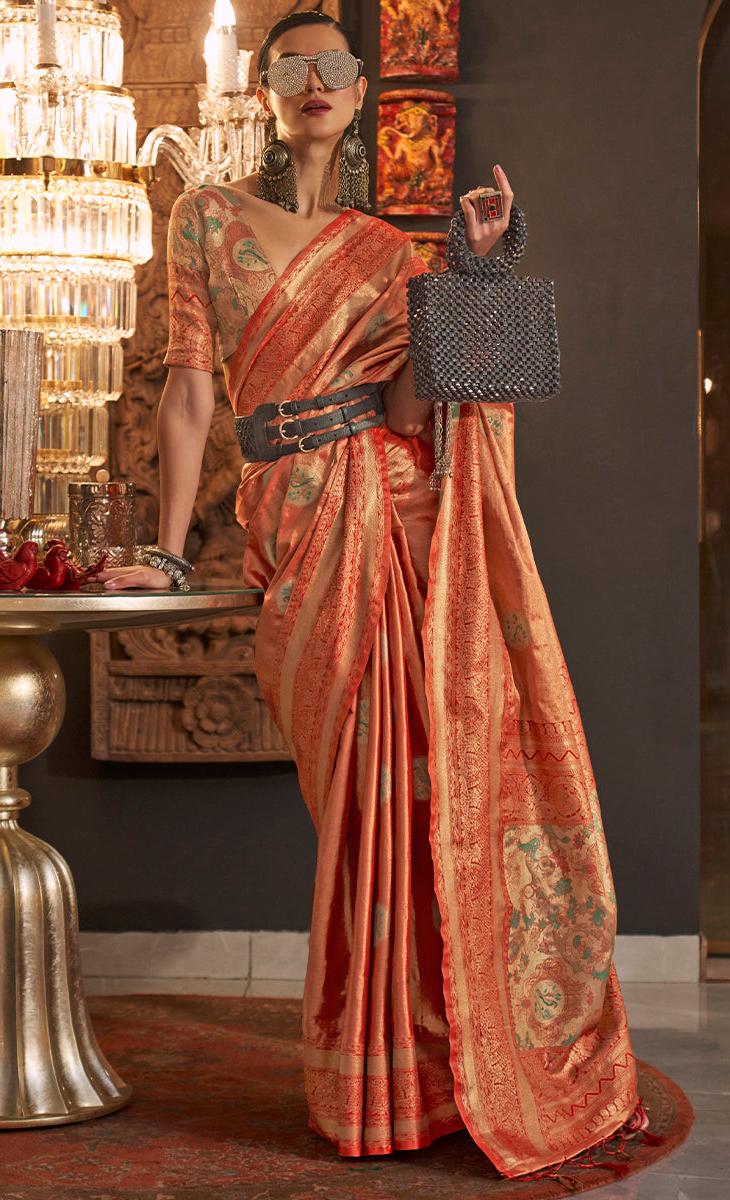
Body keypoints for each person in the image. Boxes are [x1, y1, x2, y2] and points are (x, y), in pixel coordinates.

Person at [103, 9, 640, 1178]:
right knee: (352, 801)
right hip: (291, 515)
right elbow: (189, 396)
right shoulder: (205, 218)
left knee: (412, 789)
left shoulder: (390, 250)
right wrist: (168, 549)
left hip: (392, 509)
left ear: (356, 96)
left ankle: (423, 1080)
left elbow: (410, 410)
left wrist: (475, 271)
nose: (313, 80)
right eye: (290, 65)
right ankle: (386, 1068)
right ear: (263, 90)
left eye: (334, 67)